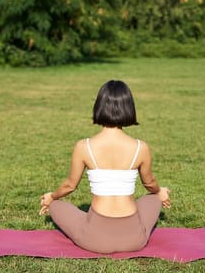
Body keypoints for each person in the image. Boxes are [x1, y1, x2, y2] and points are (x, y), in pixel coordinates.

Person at [39, 80, 172, 254]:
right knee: (153, 198)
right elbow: (149, 183)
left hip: (95, 240)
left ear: (99, 106)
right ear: (129, 108)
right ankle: (147, 211)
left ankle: (70, 213)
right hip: (134, 240)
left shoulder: (84, 146)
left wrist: (51, 197)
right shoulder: (141, 147)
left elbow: (70, 186)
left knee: (56, 205)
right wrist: (159, 192)